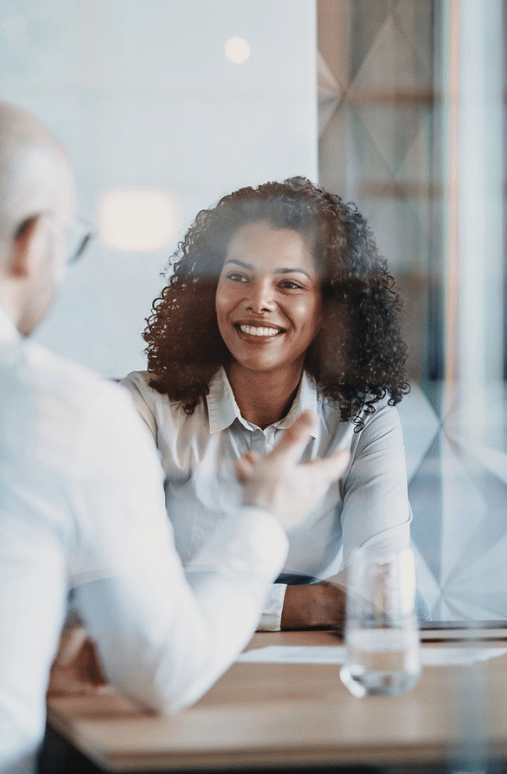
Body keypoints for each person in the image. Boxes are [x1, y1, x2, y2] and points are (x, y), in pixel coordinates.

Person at [0, 102, 349, 774]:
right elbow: (163, 669)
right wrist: (265, 518)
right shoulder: (72, 413)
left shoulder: (360, 416)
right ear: (34, 241)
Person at [121, 177, 412, 631]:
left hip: (312, 679)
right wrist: (317, 604)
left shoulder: (364, 418)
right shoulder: (143, 406)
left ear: (329, 308)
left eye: (290, 284)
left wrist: (202, 596)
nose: (258, 302)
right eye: (237, 276)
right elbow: (131, 590)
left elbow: (383, 588)